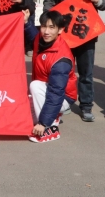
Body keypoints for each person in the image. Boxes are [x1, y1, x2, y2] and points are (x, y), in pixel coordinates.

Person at [42, 0, 105, 122]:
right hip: (63, 34)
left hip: (86, 33)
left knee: (86, 73)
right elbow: (48, 1)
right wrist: (51, 24)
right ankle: (62, 103)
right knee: (62, 71)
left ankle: (86, 106)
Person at [28, 10, 78, 143]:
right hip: (47, 89)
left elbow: (56, 93)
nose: (46, 31)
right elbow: (33, 37)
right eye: (44, 26)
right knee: (23, 109)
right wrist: (26, 22)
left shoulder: (61, 60)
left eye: (51, 27)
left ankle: (51, 127)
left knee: (35, 86)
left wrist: (43, 123)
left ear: (60, 30)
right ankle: (50, 116)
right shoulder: (41, 39)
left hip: (62, 97)